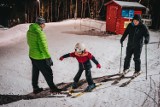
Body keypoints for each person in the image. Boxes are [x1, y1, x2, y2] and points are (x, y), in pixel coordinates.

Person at [27, 17, 61, 94]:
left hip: (32, 55)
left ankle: (35, 88)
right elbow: (43, 47)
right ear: (41, 24)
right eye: (44, 24)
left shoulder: (29, 30)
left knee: (35, 71)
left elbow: (29, 42)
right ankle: (53, 88)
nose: (44, 25)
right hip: (40, 57)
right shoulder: (39, 33)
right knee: (48, 72)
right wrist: (48, 58)